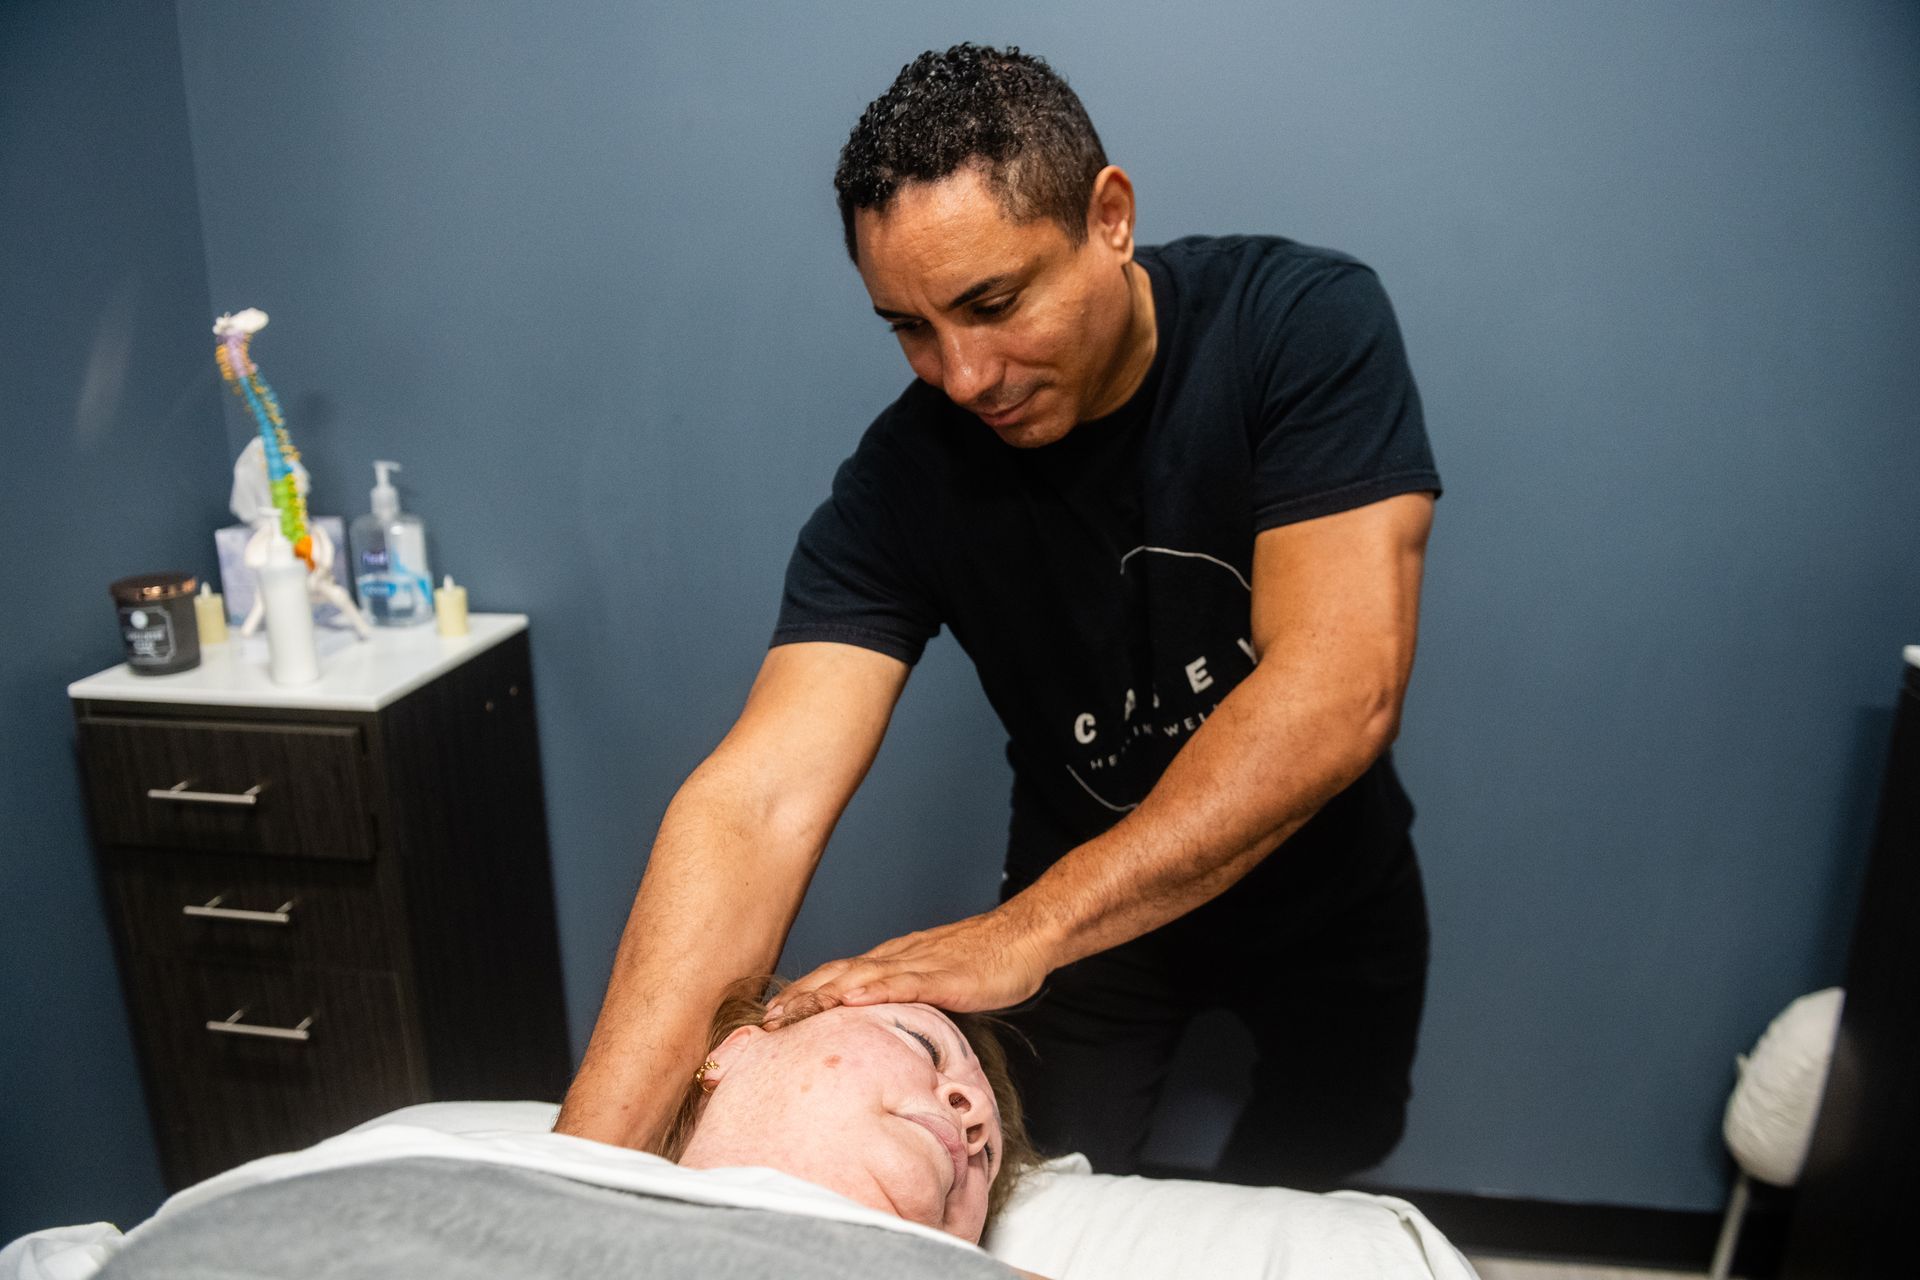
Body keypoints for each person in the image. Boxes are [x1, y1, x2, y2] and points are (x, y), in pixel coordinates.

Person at [558, 43, 1440, 1188]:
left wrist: (1020, 931)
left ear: (1108, 216)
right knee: (1048, 1185)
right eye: (910, 329)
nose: (964, 376)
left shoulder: (1299, 325)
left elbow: (1339, 685)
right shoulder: (904, 478)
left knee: (1337, 1143)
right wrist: (578, 1178)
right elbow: (759, 798)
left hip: (1321, 878)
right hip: (1088, 915)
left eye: (993, 302)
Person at [90, 987, 1044, 1279]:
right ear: (739, 1047)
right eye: (922, 1044)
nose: (967, 1110)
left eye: (986, 1152)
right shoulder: (428, 1166)